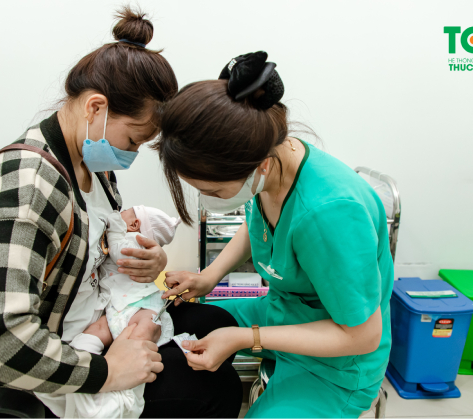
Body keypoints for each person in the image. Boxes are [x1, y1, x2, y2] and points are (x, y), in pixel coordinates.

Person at [0, 7, 242, 418]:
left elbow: (97, 250)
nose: (132, 154)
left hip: (92, 319)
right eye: (133, 140)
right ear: (95, 108)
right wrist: (107, 371)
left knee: (217, 324)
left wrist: (150, 260)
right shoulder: (26, 187)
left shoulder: (94, 167)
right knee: (215, 386)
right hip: (52, 359)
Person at [156, 51, 394, 418]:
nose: (209, 199)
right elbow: (260, 225)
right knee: (179, 320)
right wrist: (209, 277)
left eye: (214, 191)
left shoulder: (329, 214)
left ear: (260, 166)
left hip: (337, 360)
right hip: (282, 313)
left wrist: (246, 338)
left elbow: (361, 335)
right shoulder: (272, 159)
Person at [37, 206, 181, 418]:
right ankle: (87, 361)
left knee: (139, 336)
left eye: (126, 211)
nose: (119, 212)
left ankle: (126, 390)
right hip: (117, 306)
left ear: (134, 224)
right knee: (100, 331)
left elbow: (117, 252)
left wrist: (114, 227)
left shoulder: (131, 241)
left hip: (136, 303)